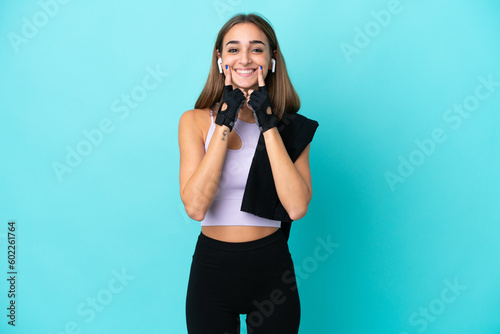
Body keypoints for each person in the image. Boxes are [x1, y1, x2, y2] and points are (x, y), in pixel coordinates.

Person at [178, 13, 318, 334]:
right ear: (220, 60)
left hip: (271, 269)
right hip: (212, 269)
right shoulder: (195, 121)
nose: (244, 58)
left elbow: (296, 208)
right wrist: (224, 120)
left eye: (256, 49)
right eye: (233, 49)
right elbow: (196, 207)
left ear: (271, 60)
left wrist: (268, 121)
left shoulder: (292, 127)